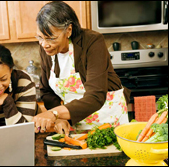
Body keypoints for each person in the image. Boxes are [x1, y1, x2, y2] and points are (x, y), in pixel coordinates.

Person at [32, 1, 131, 134]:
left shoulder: (92, 41)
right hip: (73, 120)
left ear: (68, 30)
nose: (44, 44)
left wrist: (54, 113)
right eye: (40, 37)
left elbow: (95, 96)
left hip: (107, 117)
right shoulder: (46, 48)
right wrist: (59, 119)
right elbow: (46, 91)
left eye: (51, 38)